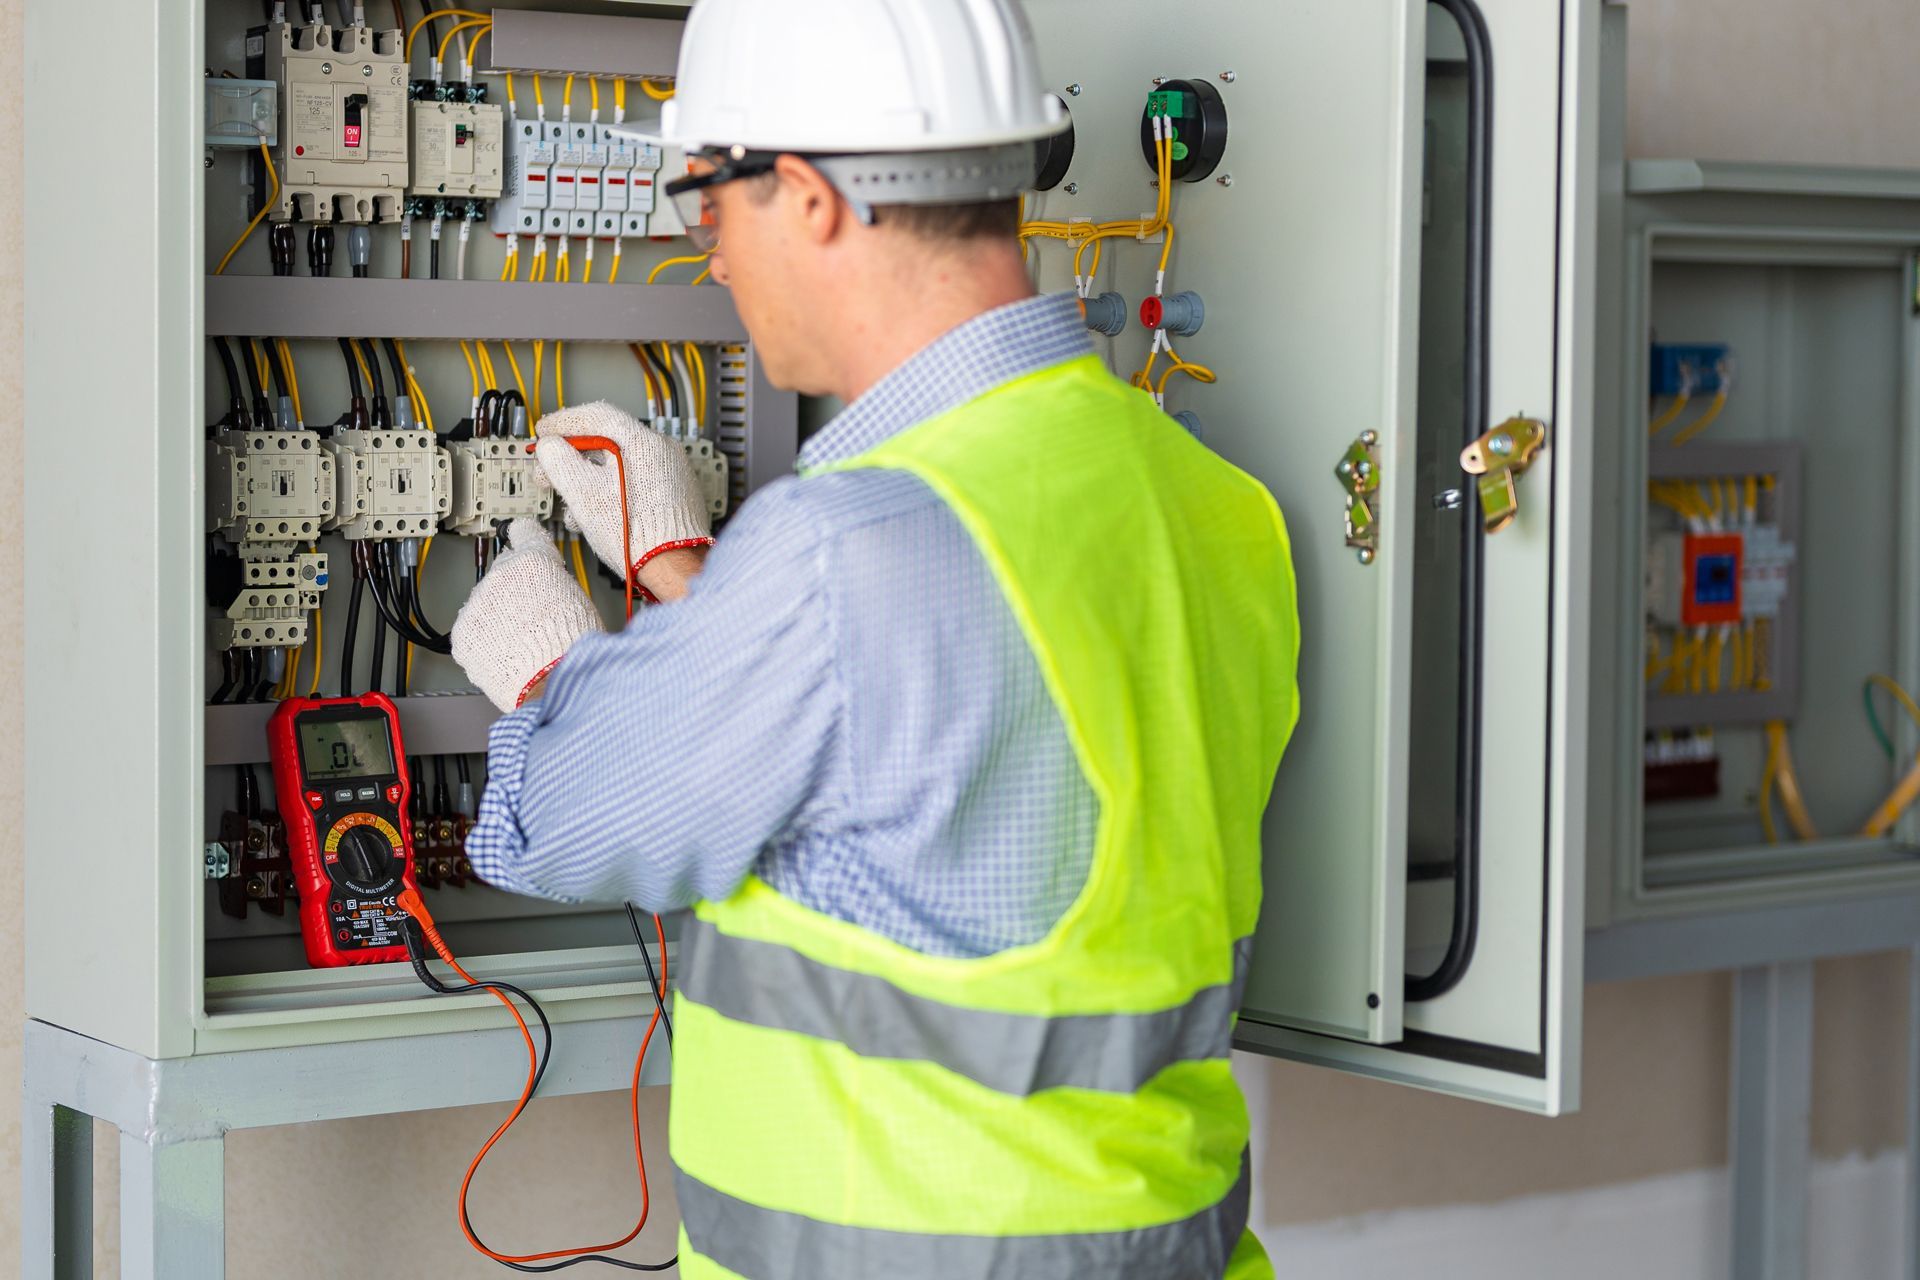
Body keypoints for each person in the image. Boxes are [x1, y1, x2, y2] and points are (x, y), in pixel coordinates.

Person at [449, 0, 1300, 1274]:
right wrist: (693, 580)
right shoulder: (1221, 510)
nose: (712, 260)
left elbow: (555, 819)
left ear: (807, 196)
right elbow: (941, 781)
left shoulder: (846, 554)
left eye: (709, 205)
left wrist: (554, 667)